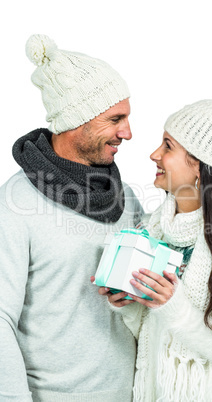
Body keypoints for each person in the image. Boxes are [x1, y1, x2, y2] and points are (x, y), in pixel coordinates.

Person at [0, 34, 143, 401]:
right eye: (116, 119)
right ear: (79, 120)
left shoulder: (124, 198)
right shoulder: (16, 203)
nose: (127, 132)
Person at [98, 100, 212, 402]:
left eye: (168, 146)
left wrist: (174, 307)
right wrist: (128, 300)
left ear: (199, 166)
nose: (154, 155)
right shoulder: (151, 229)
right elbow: (151, 332)